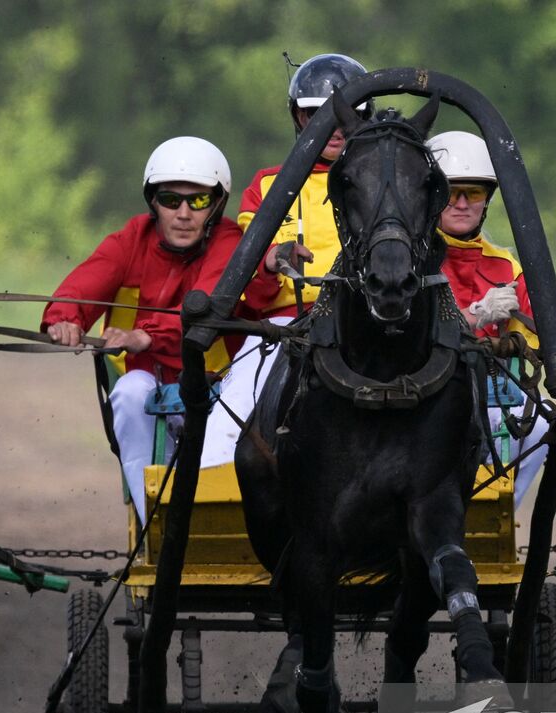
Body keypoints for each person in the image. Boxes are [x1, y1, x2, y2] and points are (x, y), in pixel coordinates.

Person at [42, 136, 272, 524]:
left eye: (197, 201)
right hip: (148, 382)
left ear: (216, 204)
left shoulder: (231, 241)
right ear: (154, 202)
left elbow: (209, 304)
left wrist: (145, 335)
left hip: (221, 385)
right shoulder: (131, 238)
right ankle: (158, 523)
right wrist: (64, 318)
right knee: (130, 394)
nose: (183, 213)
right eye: (170, 200)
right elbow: (87, 281)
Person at [203, 52, 374, 459]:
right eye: (316, 113)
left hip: (370, 324)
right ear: (297, 117)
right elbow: (257, 296)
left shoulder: (388, 183)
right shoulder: (267, 187)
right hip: (285, 327)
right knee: (229, 418)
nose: (333, 127)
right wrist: (268, 261)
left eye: (346, 114)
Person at [425, 130, 556, 501]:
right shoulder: (408, 260)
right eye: (451, 192)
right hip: (425, 393)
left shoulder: (505, 265)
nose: (461, 203)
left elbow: (545, 340)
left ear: (486, 201)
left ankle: (499, 518)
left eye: (473, 193)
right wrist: (474, 318)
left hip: (490, 394)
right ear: (430, 196)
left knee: (538, 425)